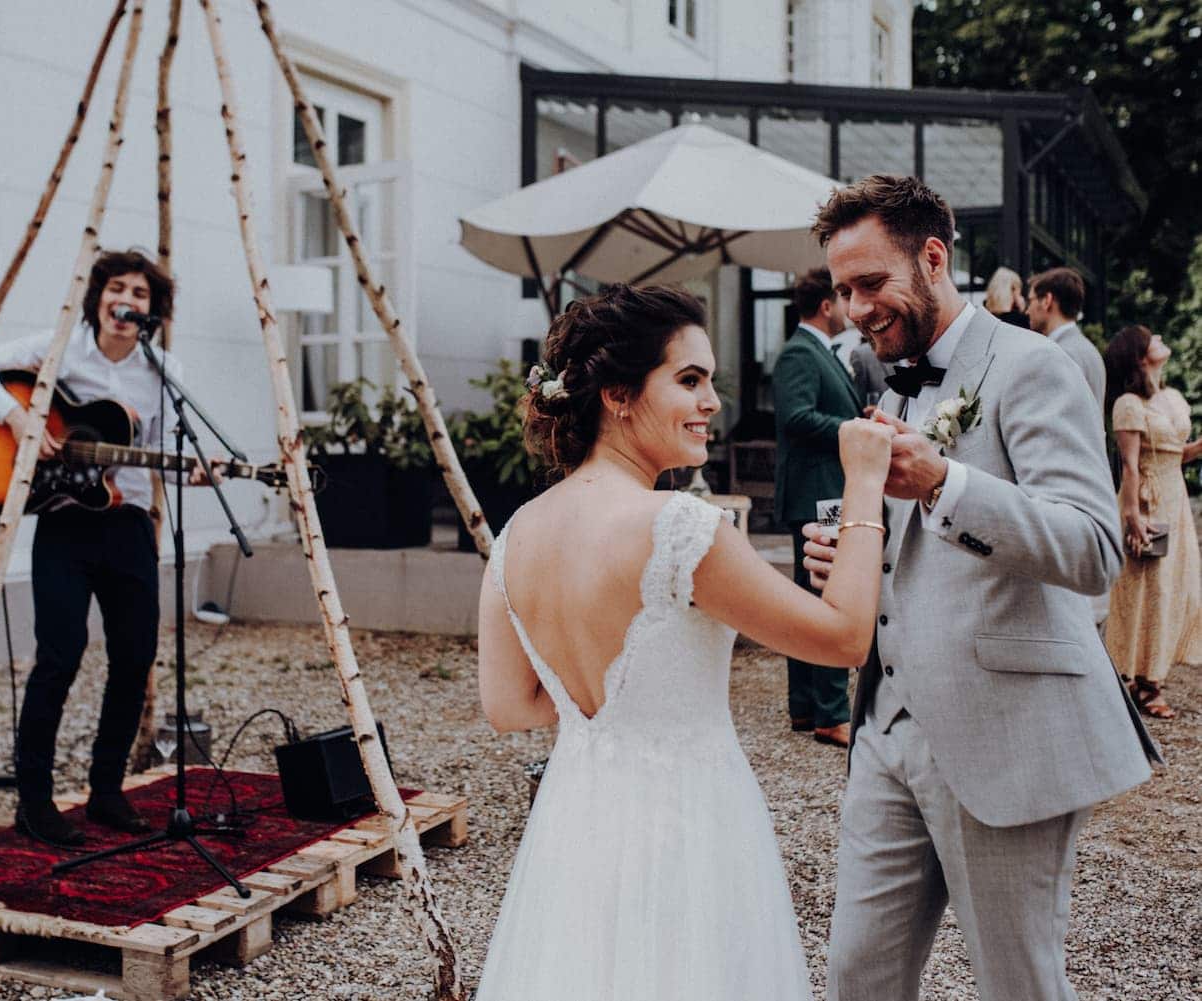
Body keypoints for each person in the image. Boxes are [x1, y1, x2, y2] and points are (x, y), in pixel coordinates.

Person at [475, 284, 894, 1000]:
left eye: (712, 382)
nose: (713, 403)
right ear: (617, 394)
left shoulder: (516, 534)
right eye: (689, 380)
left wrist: (614, 711)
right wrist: (864, 479)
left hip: (576, 825)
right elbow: (846, 637)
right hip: (689, 822)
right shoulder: (679, 527)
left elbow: (511, 705)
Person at [803, 175, 1157, 1001]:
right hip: (887, 728)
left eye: (870, 284)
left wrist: (943, 483)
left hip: (1004, 730)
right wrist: (854, 548)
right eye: (843, 290)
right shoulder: (883, 371)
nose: (855, 308)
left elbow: (1094, 547)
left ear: (933, 257)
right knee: (857, 975)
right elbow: (912, 545)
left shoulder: (1033, 368)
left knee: (1016, 983)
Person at [0, 248, 211, 847]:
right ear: (98, 297)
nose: (128, 301)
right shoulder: (58, 346)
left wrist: (196, 472)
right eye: (117, 288)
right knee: (60, 656)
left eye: (141, 294)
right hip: (64, 524)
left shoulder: (165, 371)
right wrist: (17, 419)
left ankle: (106, 792)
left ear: (153, 310)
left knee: (135, 655)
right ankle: (36, 802)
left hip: (127, 528)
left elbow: (164, 463)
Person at [773, 268, 860, 746]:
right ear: (826, 306)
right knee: (827, 599)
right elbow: (796, 417)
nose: (853, 306)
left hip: (823, 490)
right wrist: (854, 431)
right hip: (816, 495)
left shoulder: (818, 352)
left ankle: (806, 709)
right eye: (844, 297)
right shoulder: (799, 353)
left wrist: (855, 417)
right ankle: (829, 712)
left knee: (811, 599)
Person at [1103, 325, 1202, 719]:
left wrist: (1196, 449)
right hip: (1146, 502)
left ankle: (1151, 675)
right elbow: (1129, 465)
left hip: (1174, 500)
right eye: (1152, 339)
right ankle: (1138, 680)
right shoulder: (1128, 403)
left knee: (1176, 589)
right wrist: (1132, 516)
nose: (1161, 339)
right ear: (1141, 357)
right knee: (1146, 591)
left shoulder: (1170, 398)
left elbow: (1173, 455)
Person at [1028, 266, 1105, 406]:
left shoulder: (1060, 353)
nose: (1027, 311)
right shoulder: (1088, 349)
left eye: (1031, 301)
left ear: (1047, 300)